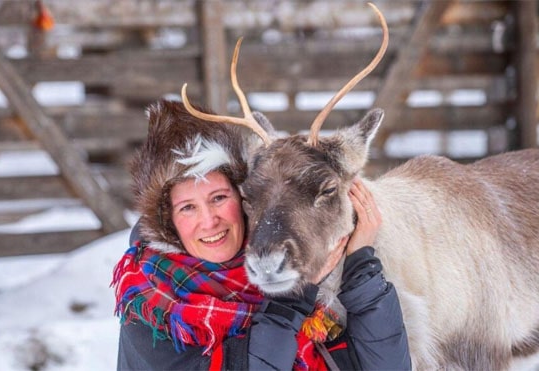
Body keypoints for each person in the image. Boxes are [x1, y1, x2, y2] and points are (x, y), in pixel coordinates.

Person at [112, 100, 411, 370]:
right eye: (188, 207)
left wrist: (360, 266)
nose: (209, 221)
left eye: (218, 198)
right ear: (169, 222)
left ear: (243, 199)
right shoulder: (152, 305)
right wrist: (291, 300)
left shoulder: (280, 264)